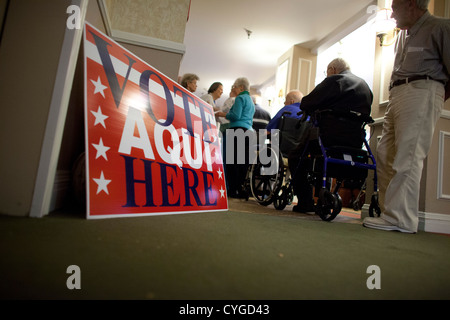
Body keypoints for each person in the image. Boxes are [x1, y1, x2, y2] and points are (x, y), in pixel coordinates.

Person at [363, 0, 450, 233]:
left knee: (408, 156)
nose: (391, 14)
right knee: (385, 155)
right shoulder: (402, 35)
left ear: (411, 5)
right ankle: (389, 213)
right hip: (397, 93)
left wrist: (435, 96)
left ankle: (401, 219)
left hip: (423, 90)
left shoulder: (441, 27)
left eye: (394, 7)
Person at [288, 58, 373, 213]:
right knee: (321, 158)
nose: (326, 75)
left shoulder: (335, 80)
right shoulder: (365, 86)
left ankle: (306, 202)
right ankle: (324, 197)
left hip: (328, 136)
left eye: (326, 72)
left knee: (296, 157)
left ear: (332, 69)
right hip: (355, 141)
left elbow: (306, 103)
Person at [216, 77, 255, 198]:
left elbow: (235, 116)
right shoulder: (251, 100)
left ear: (241, 87)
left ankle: (232, 190)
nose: (234, 89)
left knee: (231, 162)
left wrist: (223, 114)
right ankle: (240, 188)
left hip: (236, 130)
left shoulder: (240, 98)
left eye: (235, 87)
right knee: (241, 163)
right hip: (248, 132)